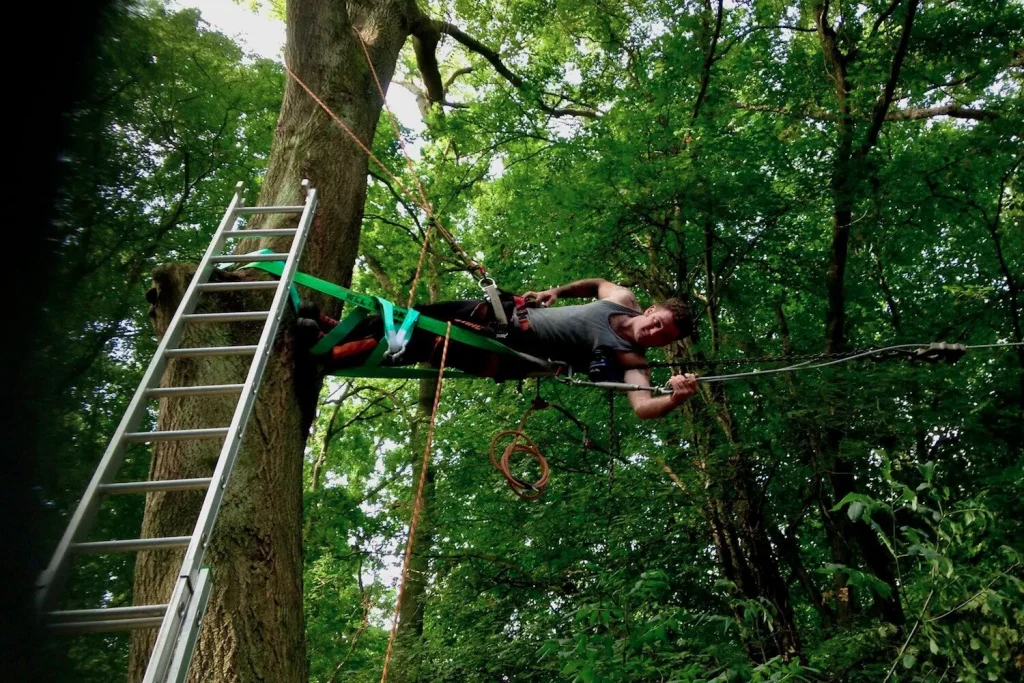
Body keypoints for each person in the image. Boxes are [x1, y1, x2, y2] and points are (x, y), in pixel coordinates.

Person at [297, 278, 698, 419]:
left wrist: (675, 397)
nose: (653, 332)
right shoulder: (621, 298)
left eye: (664, 336)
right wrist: (554, 291)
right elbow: (595, 284)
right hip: (502, 313)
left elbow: (644, 408)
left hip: (503, 351)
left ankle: (327, 355)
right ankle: (335, 331)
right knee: (413, 315)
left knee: (424, 340)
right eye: (657, 322)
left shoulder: (631, 360)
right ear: (649, 310)